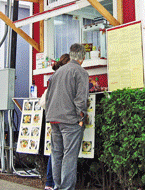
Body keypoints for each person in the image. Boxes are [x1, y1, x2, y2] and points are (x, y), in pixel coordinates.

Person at [45, 44, 89, 190]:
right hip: (70, 119)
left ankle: (57, 186)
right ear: (82, 58)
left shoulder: (57, 72)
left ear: (70, 56)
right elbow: (80, 99)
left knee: (57, 154)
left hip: (53, 118)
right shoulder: (80, 72)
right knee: (69, 156)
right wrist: (81, 117)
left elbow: (48, 96)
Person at [44, 54, 70, 190]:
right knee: (66, 154)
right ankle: (59, 186)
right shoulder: (66, 76)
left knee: (55, 152)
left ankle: (51, 184)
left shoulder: (53, 77)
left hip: (52, 117)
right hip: (64, 118)